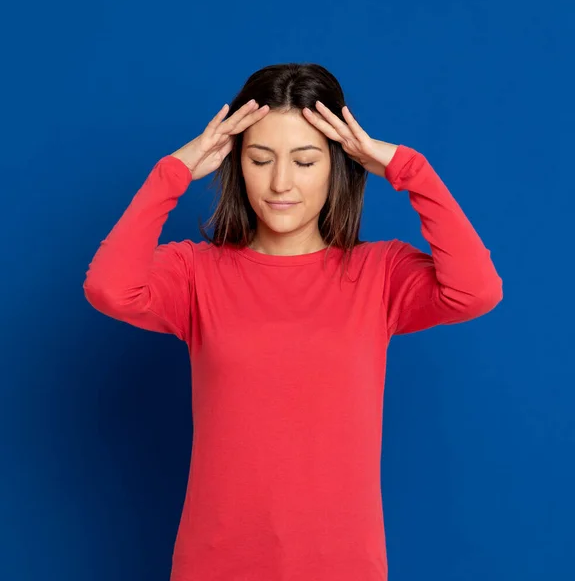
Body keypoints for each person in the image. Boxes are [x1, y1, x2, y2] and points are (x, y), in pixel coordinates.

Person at [83, 62, 503, 581]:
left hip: (343, 565)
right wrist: (171, 173)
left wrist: (407, 168)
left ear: (338, 164)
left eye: (304, 161)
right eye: (261, 159)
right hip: (217, 563)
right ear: (237, 162)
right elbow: (108, 287)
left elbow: (475, 291)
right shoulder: (196, 273)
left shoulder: (380, 273)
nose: (280, 183)